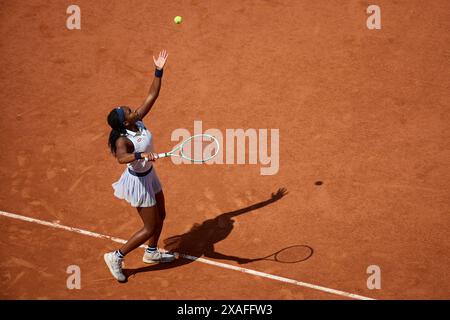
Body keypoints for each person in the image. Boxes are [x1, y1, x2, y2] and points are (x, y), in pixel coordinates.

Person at [104, 49, 175, 282]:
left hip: (149, 175)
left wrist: (159, 70)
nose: (131, 109)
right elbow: (121, 158)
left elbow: (151, 95)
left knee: (161, 215)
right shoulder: (123, 139)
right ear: (125, 121)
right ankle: (116, 256)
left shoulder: (138, 120)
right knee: (149, 227)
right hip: (138, 182)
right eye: (127, 111)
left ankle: (152, 253)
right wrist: (141, 155)